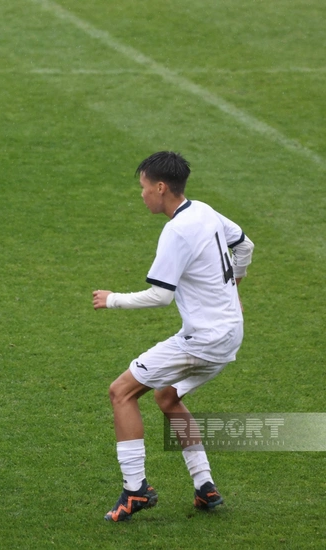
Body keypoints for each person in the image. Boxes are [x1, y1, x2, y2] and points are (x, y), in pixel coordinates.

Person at [92, 151, 255, 522]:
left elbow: (161, 296)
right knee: (167, 397)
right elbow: (245, 246)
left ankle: (135, 490)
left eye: (144, 187)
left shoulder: (177, 231)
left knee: (121, 392)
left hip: (204, 340)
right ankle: (205, 486)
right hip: (231, 335)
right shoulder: (205, 211)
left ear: (161, 187)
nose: (142, 195)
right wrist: (234, 290)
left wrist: (112, 299)